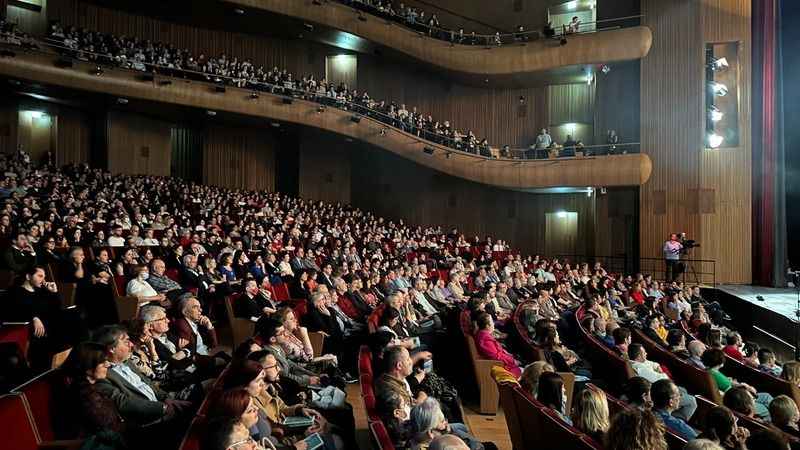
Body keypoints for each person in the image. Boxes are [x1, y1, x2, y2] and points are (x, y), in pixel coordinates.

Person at [92, 325, 193, 427]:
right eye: (126, 341)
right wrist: (163, 408)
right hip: (149, 422)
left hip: (161, 404)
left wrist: (166, 398)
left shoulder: (127, 362)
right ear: (112, 349)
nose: (131, 344)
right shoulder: (102, 375)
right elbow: (124, 403)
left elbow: (147, 382)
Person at [627, 343, 696, 421]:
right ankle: (673, 420)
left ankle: (671, 414)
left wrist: (658, 369)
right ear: (639, 356)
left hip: (662, 387)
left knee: (683, 390)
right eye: (644, 352)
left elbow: (654, 364)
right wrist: (662, 372)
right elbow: (663, 378)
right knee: (692, 401)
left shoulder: (640, 362)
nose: (646, 353)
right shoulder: (640, 368)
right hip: (660, 395)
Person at [703, 348, 772, 421]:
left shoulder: (708, 371)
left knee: (766, 396)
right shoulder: (714, 374)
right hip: (739, 401)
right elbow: (731, 390)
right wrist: (745, 388)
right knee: (766, 408)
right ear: (720, 361)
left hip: (736, 397)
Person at [473, 312, 521, 377]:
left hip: (503, 361)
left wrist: (508, 355)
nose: (493, 323)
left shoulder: (483, 334)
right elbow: (497, 357)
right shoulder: (485, 339)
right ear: (487, 326)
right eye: (492, 322)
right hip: (501, 367)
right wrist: (513, 360)